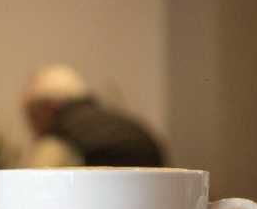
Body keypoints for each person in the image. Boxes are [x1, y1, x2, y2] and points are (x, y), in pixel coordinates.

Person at [21, 65, 164, 167]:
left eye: (33, 115)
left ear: (49, 106)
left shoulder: (60, 139)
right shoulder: (128, 126)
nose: (32, 128)